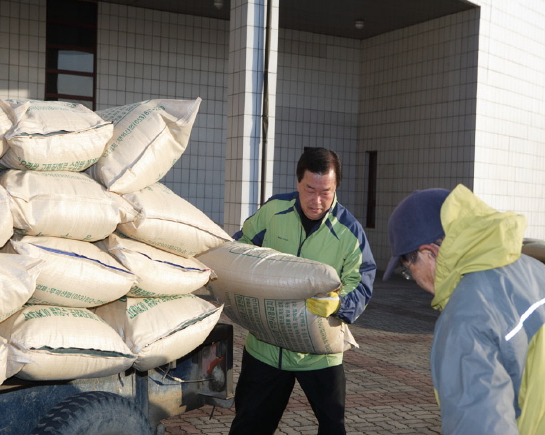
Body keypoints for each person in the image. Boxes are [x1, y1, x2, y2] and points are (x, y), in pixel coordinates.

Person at [228, 147, 376, 435]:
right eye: (310, 190)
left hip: (320, 353)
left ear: (336, 188)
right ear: (298, 183)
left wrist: (339, 304)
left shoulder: (349, 231)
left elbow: (363, 283)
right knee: (249, 426)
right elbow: (241, 249)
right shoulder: (274, 211)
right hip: (266, 348)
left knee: (333, 428)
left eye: (326, 191)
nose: (317, 200)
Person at [383, 184, 545, 435]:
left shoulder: (465, 318)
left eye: (407, 269)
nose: (413, 279)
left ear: (429, 253)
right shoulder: (533, 269)